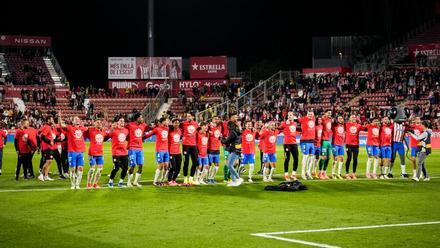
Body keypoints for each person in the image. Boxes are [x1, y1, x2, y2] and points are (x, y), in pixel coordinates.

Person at [61, 115, 88, 190]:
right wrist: (60, 118)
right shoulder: (69, 128)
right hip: (72, 151)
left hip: (81, 151)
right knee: (72, 169)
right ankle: (72, 184)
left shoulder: (82, 128)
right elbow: (61, 125)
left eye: (78, 119)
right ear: (72, 121)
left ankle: (77, 184)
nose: (77, 120)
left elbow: (89, 130)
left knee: (80, 168)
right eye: (75, 119)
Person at [145, 117, 170, 186]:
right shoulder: (157, 129)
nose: (167, 122)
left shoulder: (167, 129)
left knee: (166, 166)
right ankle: (155, 181)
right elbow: (149, 135)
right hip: (159, 150)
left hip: (166, 150)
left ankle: (162, 180)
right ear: (163, 122)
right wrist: (142, 138)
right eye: (166, 121)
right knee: (160, 166)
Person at [126, 113, 149, 187]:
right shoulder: (130, 125)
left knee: (141, 165)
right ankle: (129, 182)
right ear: (137, 118)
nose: (142, 119)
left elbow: (150, 128)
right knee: (133, 165)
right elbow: (124, 132)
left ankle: (135, 182)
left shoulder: (144, 125)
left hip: (140, 148)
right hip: (132, 148)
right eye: (141, 117)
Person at [85, 119, 108, 189]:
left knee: (100, 169)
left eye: (100, 122)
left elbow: (107, 137)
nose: (99, 123)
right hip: (92, 153)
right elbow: (83, 132)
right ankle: (88, 184)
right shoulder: (90, 130)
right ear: (94, 124)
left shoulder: (103, 131)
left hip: (100, 153)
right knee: (92, 169)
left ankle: (95, 184)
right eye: (97, 122)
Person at [108, 117, 129, 188]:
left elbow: (128, 138)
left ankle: (121, 182)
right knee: (116, 168)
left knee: (125, 168)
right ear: (117, 122)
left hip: (124, 152)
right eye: (121, 121)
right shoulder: (114, 130)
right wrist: (111, 128)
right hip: (116, 152)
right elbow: (108, 136)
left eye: (123, 121)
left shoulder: (126, 130)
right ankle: (110, 181)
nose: (122, 122)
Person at [221, 119, 243, 187]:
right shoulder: (237, 131)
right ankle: (233, 181)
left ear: (229, 126)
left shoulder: (232, 132)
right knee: (230, 165)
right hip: (237, 149)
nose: (227, 127)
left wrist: (222, 139)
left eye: (227, 126)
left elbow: (227, 141)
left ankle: (238, 178)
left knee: (229, 165)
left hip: (234, 150)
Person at [278, 112, 299, 181]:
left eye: (291, 115)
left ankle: (293, 174)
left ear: (293, 116)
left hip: (294, 143)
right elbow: (278, 128)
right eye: (288, 115)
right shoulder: (284, 123)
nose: (289, 116)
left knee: (296, 158)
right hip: (287, 144)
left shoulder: (295, 123)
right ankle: (286, 174)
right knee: (287, 159)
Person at [181, 113, 199, 185]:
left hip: (193, 145)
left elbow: (200, 132)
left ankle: (191, 178)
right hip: (185, 145)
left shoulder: (196, 124)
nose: (188, 117)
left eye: (189, 116)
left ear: (193, 116)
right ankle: (185, 178)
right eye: (187, 116)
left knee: (195, 162)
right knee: (186, 162)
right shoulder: (183, 124)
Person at [38, 116, 57, 182]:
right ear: (48, 120)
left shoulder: (49, 127)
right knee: (48, 161)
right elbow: (42, 136)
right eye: (51, 119)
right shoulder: (47, 127)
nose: (52, 120)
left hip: (49, 147)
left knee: (49, 161)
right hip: (47, 147)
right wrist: (49, 141)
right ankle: (41, 175)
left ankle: (46, 176)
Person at [298, 110, 316, 180]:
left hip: (312, 142)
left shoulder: (314, 119)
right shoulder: (303, 118)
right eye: (309, 114)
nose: (310, 116)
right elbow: (296, 120)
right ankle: (302, 173)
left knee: (312, 157)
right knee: (305, 157)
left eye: (311, 114)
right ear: (307, 114)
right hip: (305, 141)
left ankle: (308, 172)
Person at [345, 115, 362, 179]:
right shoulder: (346, 124)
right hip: (348, 144)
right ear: (349, 119)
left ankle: (353, 173)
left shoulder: (358, 125)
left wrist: (360, 122)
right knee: (349, 158)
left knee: (355, 159)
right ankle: (347, 173)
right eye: (352, 117)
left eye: (355, 117)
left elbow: (365, 128)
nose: (354, 118)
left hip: (356, 145)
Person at [207, 117, 222, 184]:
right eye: (215, 119)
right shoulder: (208, 127)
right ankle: (208, 178)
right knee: (209, 165)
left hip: (217, 148)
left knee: (217, 165)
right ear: (212, 120)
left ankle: (212, 178)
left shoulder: (220, 127)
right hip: (210, 149)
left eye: (217, 119)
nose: (217, 120)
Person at [167, 118, 182, 186]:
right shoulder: (169, 131)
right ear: (172, 123)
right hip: (171, 152)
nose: (176, 124)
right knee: (173, 167)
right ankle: (169, 180)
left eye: (178, 123)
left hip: (178, 152)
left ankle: (174, 180)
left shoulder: (180, 131)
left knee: (178, 167)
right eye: (175, 123)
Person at [319, 110, 333, 180]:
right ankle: (320, 172)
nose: (330, 114)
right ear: (325, 113)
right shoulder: (322, 119)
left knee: (329, 157)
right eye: (328, 113)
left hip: (328, 141)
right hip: (323, 140)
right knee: (323, 157)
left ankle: (324, 172)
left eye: (330, 113)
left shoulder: (330, 120)